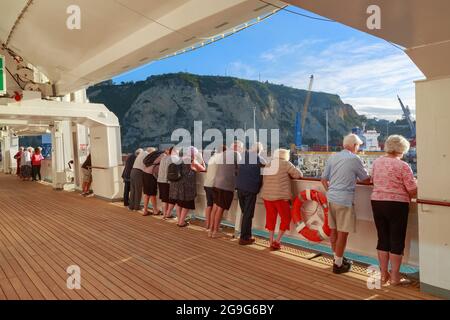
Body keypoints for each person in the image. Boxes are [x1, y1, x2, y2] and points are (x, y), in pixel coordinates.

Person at [371, 135, 417, 286]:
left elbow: (373, 180)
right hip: (397, 204)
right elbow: (412, 190)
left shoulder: (377, 162)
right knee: (396, 240)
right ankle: (395, 277)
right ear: (401, 149)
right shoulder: (403, 166)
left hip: (377, 202)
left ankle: (384, 274)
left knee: (382, 238)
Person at [321, 134, 371, 274]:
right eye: (358, 147)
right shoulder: (355, 159)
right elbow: (366, 179)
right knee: (343, 233)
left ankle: (337, 258)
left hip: (331, 198)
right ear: (354, 145)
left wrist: (330, 191)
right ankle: (338, 265)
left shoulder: (333, 157)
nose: (358, 150)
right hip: (344, 200)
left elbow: (323, 179)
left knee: (333, 230)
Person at [260, 148, 303, 250]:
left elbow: (264, 179)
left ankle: (270, 241)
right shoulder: (286, 164)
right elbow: (298, 175)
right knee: (286, 218)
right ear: (285, 155)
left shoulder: (269, 164)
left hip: (267, 196)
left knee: (271, 218)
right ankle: (277, 240)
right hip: (280, 197)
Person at [210, 141, 243, 238]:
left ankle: (211, 230)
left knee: (215, 207)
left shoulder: (223, 154)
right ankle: (215, 231)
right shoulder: (236, 154)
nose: (241, 150)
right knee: (220, 208)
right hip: (226, 185)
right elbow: (240, 168)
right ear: (237, 147)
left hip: (217, 183)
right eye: (241, 148)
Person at [236, 142, 266, 245]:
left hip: (240, 187)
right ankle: (244, 238)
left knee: (245, 213)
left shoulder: (243, 157)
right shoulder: (260, 159)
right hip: (250, 189)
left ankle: (246, 235)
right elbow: (266, 168)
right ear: (260, 151)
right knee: (248, 214)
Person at [169, 146, 206, 227]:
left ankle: (179, 220)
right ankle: (181, 222)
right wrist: (202, 159)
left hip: (177, 185)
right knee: (186, 204)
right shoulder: (192, 161)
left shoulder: (179, 159)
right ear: (194, 154)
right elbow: (203, 169)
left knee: (179, 203)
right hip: (187, 187)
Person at [203, 145, 226, 231]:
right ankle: (213, 227)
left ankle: (207, 225)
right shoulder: (222, 159)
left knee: (209, 205)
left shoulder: (212, 158)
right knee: (216, 207)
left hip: (207, 183)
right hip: (214, 185)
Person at [157, 146, 178, 219]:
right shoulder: (174, 158)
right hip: (167, 181)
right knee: (171, 199)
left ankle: (165, 214)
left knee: (164, 199)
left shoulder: (163, 158)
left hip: (160, 180)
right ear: (174, 151)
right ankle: (168, 214)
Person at [142, 147, 164, 216]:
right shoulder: (162, 155)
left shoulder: (150, 156)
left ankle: (145, 210)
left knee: (147, 193)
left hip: (145, 173)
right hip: (151, 175)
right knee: (152, 193)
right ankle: (155, 210)